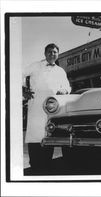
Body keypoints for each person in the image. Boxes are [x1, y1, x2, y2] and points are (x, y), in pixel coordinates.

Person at [23, 43, 71, 173]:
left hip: (52, 109)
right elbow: (18, 74)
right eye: (49, 52)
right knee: (35, 136)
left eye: (55, 52)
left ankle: (46, 165)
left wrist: (64, 91)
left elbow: (67, 87)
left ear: (58, 54)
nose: (52, 54)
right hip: (36, 106)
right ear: (45, 54)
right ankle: (35, 166)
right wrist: (23, 91)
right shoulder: (35, 65)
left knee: (48, 135)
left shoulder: (60, 71)